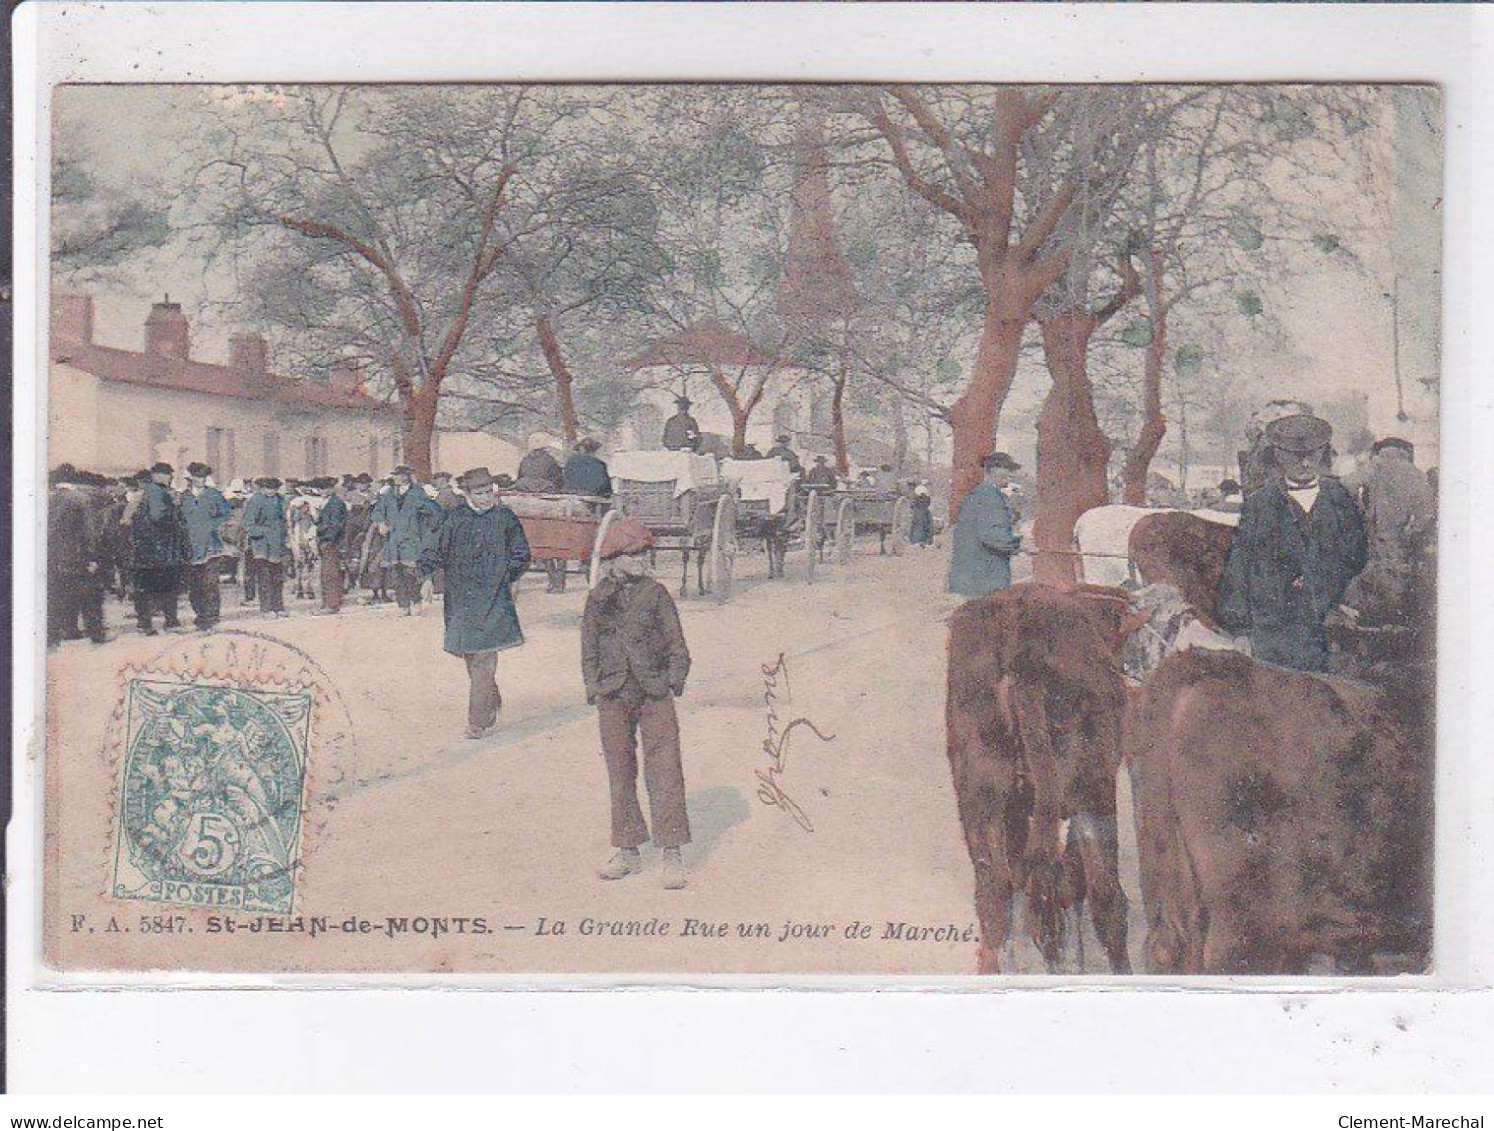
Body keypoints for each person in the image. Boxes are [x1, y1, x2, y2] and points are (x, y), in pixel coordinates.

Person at [581, 519, 693, 891]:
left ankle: (672, 852)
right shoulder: (597, 599)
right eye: (634, 554)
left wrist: (673, 679)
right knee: (620, 770)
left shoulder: (657, 594)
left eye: (646, 552)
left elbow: (677, 644)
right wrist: (593, 686)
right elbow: (589, 648)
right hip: (613, 693)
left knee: (665, 769)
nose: (643, 559)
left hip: (653, 691)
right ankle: (628, 851)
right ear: (614, 559)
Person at [1219, 414, 1368, 672]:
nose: (1305, 462)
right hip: (1273, 631)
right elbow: (1239, 567)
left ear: (1323, 454)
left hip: (1328, 629)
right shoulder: (1259, 504)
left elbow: (1358, 559)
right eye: (1294, 456)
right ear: (1278, 457)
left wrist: (1348, 603)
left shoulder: (1341, 498)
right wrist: (1240, 630)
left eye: (1312, 454)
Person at [417, 467, 532, 740]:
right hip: (462, 597)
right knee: (470, 653)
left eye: (489, 492)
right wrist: (427, 577)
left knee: (483, 656)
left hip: (494, 596)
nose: (486, 498)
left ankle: (478, 721)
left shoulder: (505, 517)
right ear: (467, 494)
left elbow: (521, 552)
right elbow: (434, 549)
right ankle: (489, 696)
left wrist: (509, 576)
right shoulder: (455, 519)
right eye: (479, 493)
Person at [47, 465, 109, 646]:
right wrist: (93, 557)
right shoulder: (81, 499)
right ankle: (95, 633)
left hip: (53, 556)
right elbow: (90, 532)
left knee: (58, 594)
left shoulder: (47, 499)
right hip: (77, 556)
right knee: (90, 595)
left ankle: (64, 631)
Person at [947, 452, 1022, 599]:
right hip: (984, 578)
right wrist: (1020, 545)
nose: (1011, 474)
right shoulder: (990, 497)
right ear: (993, 470)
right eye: (1007, 468)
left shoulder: (980, 494)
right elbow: (992, 535)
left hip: (972, 577)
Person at [125, 462, 188, 635]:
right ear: (158, 475)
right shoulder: (157, 492)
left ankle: (146, 624)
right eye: (168, 475)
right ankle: (167, 622)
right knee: (166, 586)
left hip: (147, 549)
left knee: (146, 586)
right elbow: (157, 516)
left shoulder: (147, 492)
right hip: (159, 549)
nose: (170, 478)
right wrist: (175, 512)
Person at [370, 464, 440, 615]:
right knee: (396, 574)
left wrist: (424, 508)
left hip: (412, 539)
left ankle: (415, 602)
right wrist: (381, 522)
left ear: (407, 476)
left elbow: (433, 511)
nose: (397, 478)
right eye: (395, 475)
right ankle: (403, 605)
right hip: (394, 540)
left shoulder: (418, 492)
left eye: (400, 475)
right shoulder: (388, 494)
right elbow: (377, 511)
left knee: (411, 573)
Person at [181, 461, 231, 631]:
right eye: (196, 477)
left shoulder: (214, 495)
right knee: (195, 585)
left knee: (210, 583)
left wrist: (213, 525)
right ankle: (200, 614)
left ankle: (211, 616)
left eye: (203, 477)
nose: (200, 480)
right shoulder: (184, 497)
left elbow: (226, 516)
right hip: (190, 547)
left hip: (211, 545)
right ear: (191, 478)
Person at [242, 477, 290, 617]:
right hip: (261, 544)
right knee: (264, 577)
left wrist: (284, 536)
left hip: (278, 543)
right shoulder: (256, 500)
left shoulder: (280, 500)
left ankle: (278, 606)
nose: (271, 491)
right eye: (268, 488)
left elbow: (283, 520)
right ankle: (266, 608)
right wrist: (263, 531)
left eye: (274, 488)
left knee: (278, 577)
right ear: (262, 488)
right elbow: (248, 524)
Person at [315, 477, 349, 615]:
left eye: (324, 488)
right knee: (326, 573)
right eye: (320, 489)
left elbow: (336, 525)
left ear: (331, 489)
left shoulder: (335, 503)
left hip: (331, 542)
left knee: (331, 573)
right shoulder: (327, 502)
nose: (321, 491)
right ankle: (327, 602)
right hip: (325, 541)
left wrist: (326, 537)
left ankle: (332, 603)